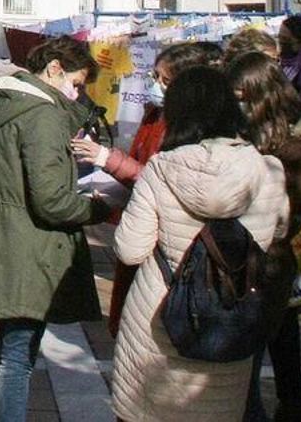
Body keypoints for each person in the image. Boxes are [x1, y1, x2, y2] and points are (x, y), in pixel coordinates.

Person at [110, 67, 290, 422]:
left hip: (159, 319)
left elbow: (130, 249)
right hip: (228, 314)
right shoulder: (268, 169)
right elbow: (278, 232)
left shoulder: (163, 168)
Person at [0, 36, 111, 421]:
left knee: (7, 344)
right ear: (55, 69)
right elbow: (52, 200)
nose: (77, 95)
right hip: (30, 245)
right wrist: (98, 208)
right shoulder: (41, 114)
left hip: (2, 235)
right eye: (76, 84)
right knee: (19, 354)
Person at [72, 41, 221, 334]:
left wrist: (108, 159)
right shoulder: (153, 114)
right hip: (141, 225)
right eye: (155, 77)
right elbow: (142, 166)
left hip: (171, 240)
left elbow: (163, 178)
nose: (156, 85)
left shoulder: (195, 127)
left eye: (165, 80)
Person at [229, 51, 301, 422]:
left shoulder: (298, 147)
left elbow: (285, 209)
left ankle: (286, 406)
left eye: (240, 96)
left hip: (272, 257)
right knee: (281, 333)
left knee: (253, 357)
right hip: (276, 259)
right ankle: (293, 403)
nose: (236, 104)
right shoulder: (288, 135)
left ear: (257, 93)